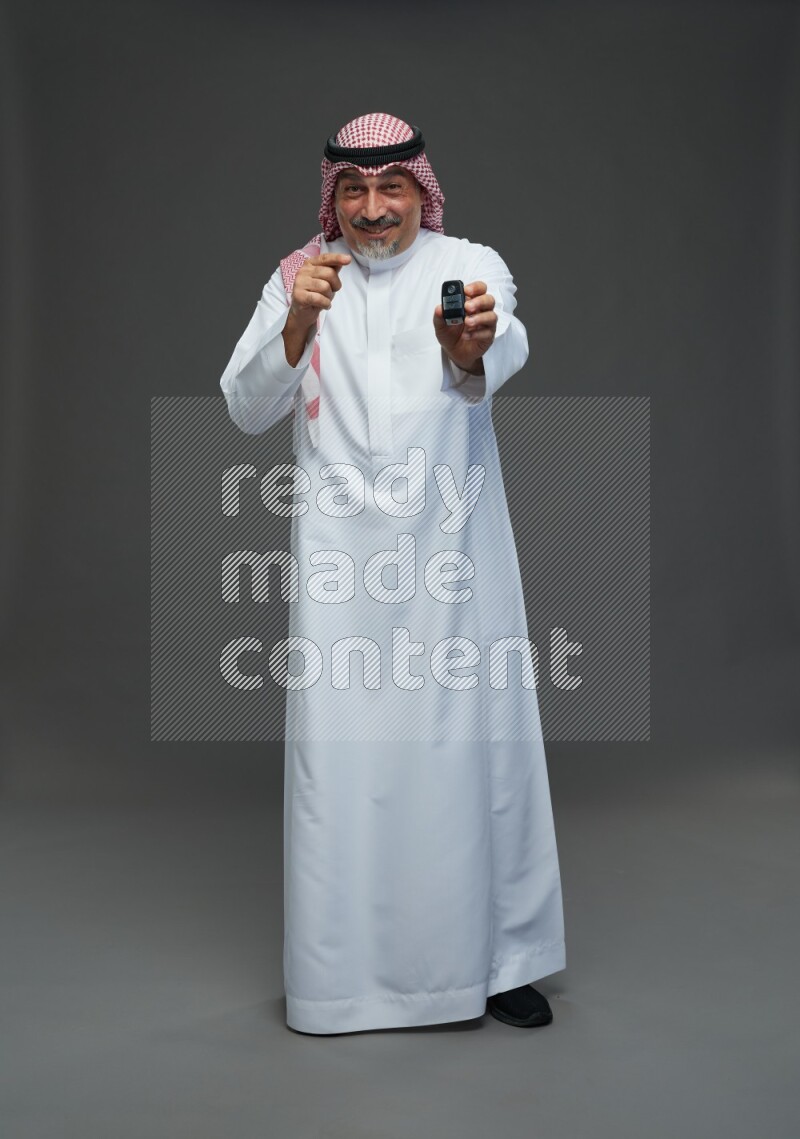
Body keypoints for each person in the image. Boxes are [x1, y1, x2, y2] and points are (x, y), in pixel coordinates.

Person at [219, 112, 566, 1034]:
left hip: (453, 559)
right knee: (342, 769)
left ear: (422, 190)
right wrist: (298, 320)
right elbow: (245, 406)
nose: (373, 209)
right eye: (355, 190)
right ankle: (343, 984)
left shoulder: (470, 262)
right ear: (332, 196)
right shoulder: (299, 276)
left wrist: (471, 350)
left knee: (467, 754)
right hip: (340, 569)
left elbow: (504, 341)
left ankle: (496, 961)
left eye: (392, 188)